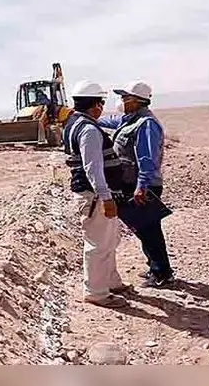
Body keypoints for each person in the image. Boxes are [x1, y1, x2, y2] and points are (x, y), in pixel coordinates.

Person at [97, 81, 174, 288]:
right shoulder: (130, 120)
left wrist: (142, 187)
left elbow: (147, 159)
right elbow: (111, 121)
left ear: (137, 101)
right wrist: (89, 117)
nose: (122, 101)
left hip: (142, 185)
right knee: (141, 228)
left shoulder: (146, 124)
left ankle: (161, 273)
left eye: (125, 98)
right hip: (132, 183)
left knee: (149, 229)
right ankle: (155, 266)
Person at [61, 80, 131, 308]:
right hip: (95, 196)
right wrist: (106, 197)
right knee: (99, 244)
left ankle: (111, 281)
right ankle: (97, 292)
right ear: (95, 105)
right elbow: (93, 167)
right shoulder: (89, 130)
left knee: (109, 240)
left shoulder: (74, 123)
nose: (102, 107)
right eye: (101, 102)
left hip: (95, 194)